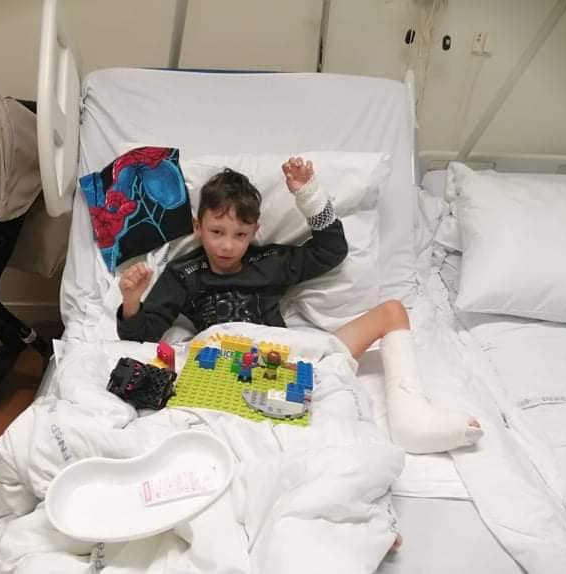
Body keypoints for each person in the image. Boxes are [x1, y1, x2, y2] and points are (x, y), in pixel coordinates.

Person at [117, 157, 483, 457]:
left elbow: (331, 250)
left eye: (240, 235)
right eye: (217, 232)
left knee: (392, 311)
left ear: (255, 231)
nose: (227, 245)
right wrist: (133, 301)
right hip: (223, 364)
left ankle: (409, 417)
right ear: (198, 227)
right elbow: (143, 335)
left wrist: (308, 195)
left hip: (281, 358)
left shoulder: (269, 261)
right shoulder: (182, 274)